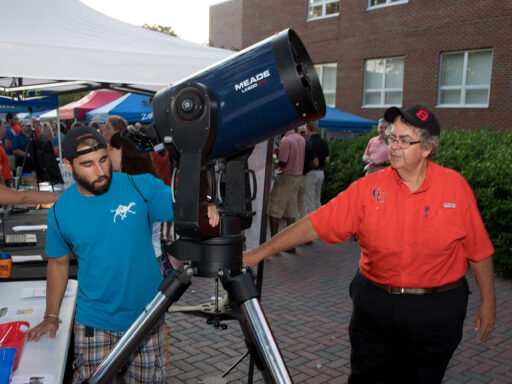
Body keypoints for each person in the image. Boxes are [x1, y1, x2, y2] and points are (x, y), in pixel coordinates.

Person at [243, 105, 496, 384]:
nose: (393, 146)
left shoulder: (455, 187)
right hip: (375, 307)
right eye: (392, 137)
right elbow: (314, 224)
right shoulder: (367, 189)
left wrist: (488, 302)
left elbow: (479, 251)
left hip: (435, 311)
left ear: (427, 149)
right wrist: (258, 253)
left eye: (403, 140)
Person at [26, 126, 218, 383]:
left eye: (103, 160)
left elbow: (185, 206)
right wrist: (51, 316)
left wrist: (203, 200)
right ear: (68, 166)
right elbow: (58, 264)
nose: (100, 171)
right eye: (88, 164)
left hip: (146, 318)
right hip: (94, 323)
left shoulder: (139, 187)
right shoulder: (60, 211)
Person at [268, 128, 305, 253]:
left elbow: (283, 163)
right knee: (291, 212)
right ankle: (290, 245)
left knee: (274, 210)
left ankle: (274, 246)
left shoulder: (286, 140)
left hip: (285, 178)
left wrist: (272, 161)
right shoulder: (301, 139)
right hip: (297, 178)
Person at [306, 121, 329, 210]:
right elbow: (327, 159)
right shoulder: (323, 142)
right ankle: (319, 221)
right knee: (317, 200)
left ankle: (311, 223)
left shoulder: (308, 142)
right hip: (321, 173)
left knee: (309, 201)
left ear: (307, 128)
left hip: (310, 173)